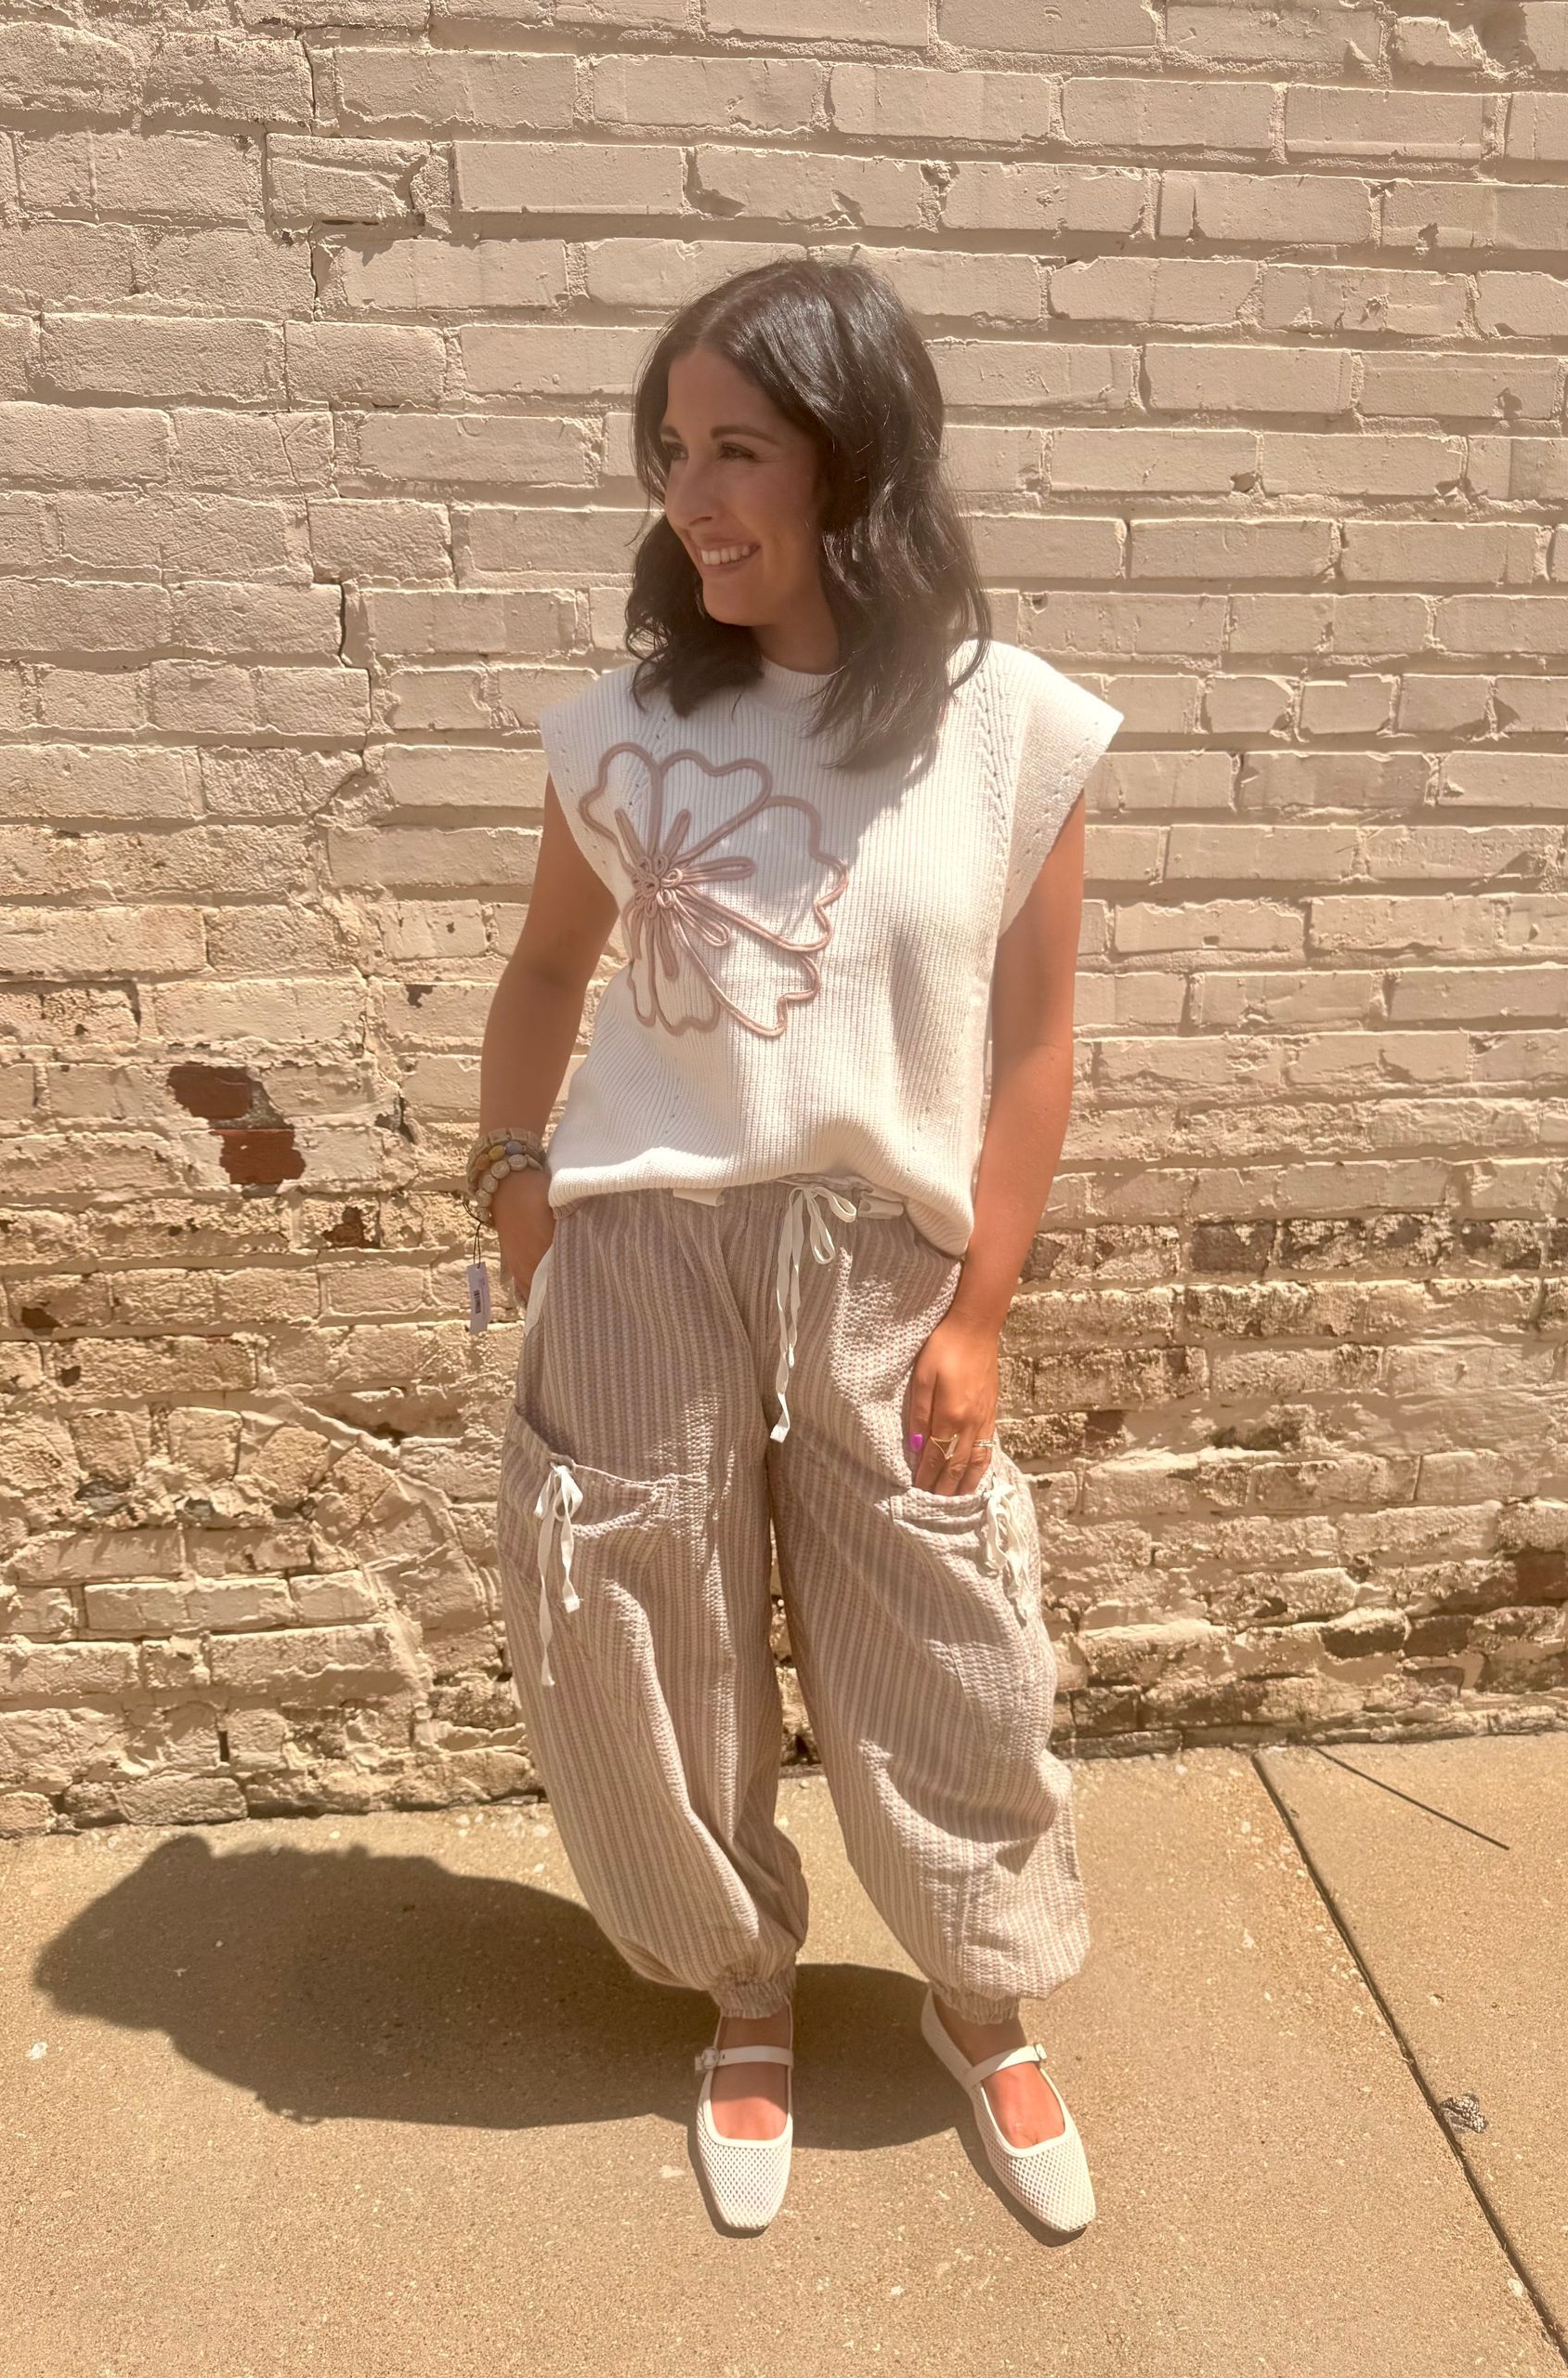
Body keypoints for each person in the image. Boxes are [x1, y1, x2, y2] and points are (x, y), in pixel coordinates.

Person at [471, 256, 1121, 2236]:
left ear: (858, 460)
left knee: (941, 1629)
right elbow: (542, 968)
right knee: (641, 1624)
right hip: (649, 1240)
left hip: (882, 1258)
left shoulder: (1010, 729)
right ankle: (741, 1989)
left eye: (738, 447)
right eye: (672, 451)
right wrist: (511, 1168)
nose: (692, 493)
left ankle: (976, 1990)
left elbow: (1031, 1042)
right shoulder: (618, 731)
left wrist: (985, 1306)